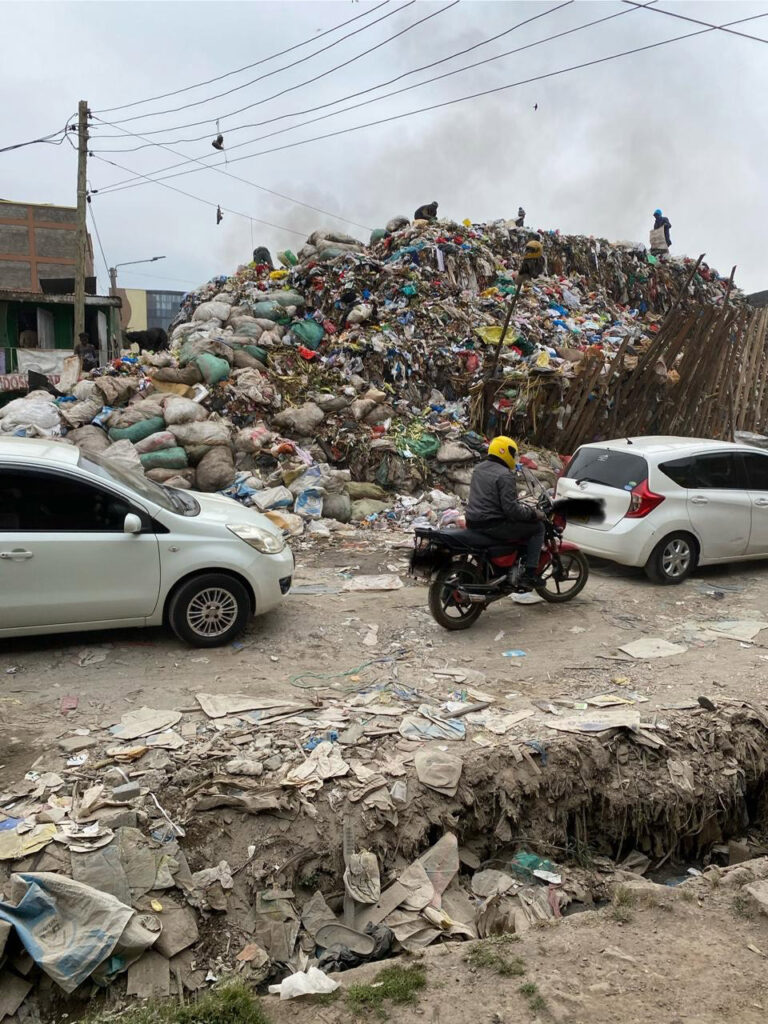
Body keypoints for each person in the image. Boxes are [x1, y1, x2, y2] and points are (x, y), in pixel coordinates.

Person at [465, 436, 546, 589]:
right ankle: (529, 575)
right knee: (538, 528)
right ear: (505, 452)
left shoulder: (479, 468)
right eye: (513, 453)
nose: (514, 457)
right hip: (493, 525)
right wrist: (533, 514)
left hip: (472, 521)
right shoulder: (505, 475)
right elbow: (511, 510)